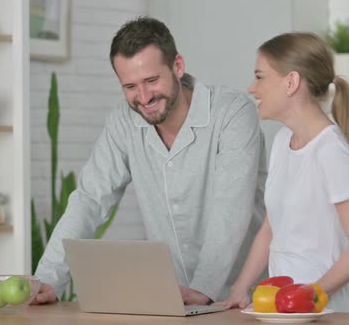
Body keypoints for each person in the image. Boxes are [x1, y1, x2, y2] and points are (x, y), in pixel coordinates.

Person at [32, 16, 267, 306]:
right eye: (130, 86)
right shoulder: (123, 121)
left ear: (178, 67)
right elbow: (90, 200)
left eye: (152, 80)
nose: (143, 97)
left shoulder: (232, 112)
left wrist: (204, 287)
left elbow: (231, 208)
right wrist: (48, 279)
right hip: (177, 301)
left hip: (248, 298)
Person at [217, 32, 349, 312]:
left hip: (320, 313)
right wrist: (239, 289)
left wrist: (311, 294)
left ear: (291, 82)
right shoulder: (283, 140)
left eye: (260, 77)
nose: (252, 88)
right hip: (280, 309)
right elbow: (271, 229)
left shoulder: (331, 151)